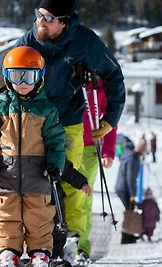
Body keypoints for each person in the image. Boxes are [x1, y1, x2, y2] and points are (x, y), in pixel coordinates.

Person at [16, 1, 125, 260]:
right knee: (30, 182)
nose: (40, 21)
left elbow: (113, 75)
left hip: (68, 122)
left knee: (71, 181)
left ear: (63, 22)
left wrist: (110, 119)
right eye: (39, 15)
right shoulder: (27, 41)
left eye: (48, 17)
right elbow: (10, 81)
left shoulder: (84, 41)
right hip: (33, 122)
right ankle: (30, 243)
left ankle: (74, 241)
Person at [0, 46, 66, 267]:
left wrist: (55, 165)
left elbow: (56, 141)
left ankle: (40, 252)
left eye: (30, 76)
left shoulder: (46, 109)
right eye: (17, 76)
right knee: (7, 214)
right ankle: (9, 252)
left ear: (40, 78)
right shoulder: (0, 107)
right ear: (8, 77)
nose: (23, 82)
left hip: (38, 173)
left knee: (39, 216)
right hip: (6, 173)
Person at [74, 79, 117, 265]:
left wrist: (108, 151)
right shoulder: (69, 79)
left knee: (83, 197)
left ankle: (81, 247)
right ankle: (63, 241)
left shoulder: (100, 85)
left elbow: (110, 119)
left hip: (90, 149)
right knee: (65, 197)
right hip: (67, 146)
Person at [115, 136, 147, 244]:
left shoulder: (130, 154)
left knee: (129, 210)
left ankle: (128, 235)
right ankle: (126, 237)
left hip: (121, 186)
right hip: (124, 188)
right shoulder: (133, 158)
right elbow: (130, 177)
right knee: (129, 210)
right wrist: (133, 194)